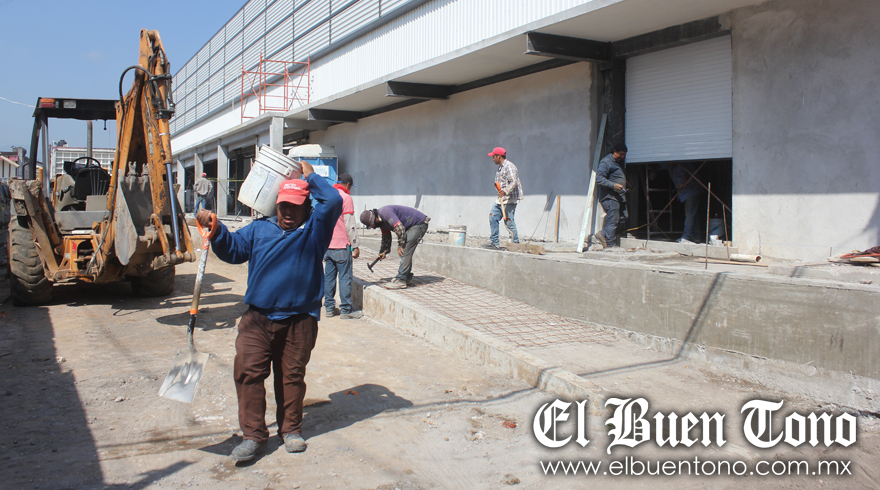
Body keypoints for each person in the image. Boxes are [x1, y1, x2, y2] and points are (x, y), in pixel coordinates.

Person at [196, 160, 342, 462]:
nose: (288, 212)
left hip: (300, 320)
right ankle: (253, 435)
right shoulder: (259, 229)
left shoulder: (314, 231)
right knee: (247, 372)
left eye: (295, 206)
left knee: (291, 377)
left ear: (308, 208)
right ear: (276, 204)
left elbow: (333, 200)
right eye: (283, 205)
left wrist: (311, 176)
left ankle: (291, 430)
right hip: (258, 319)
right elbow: (234, 249)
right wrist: (217, 229)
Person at [359, 205, 430, 290]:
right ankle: (406, 277)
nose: (373, 227)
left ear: (376, 219)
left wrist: (400, 245)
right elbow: (386, 237)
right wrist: (383, 251)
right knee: (406, 250)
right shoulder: (381, 223)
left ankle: (401, 280)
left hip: (419, 223)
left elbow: (400, 228)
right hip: (410, 226)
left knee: (405, 250)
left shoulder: (386, 213)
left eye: (372, 225)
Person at [324, 173, 362, 319]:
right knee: (345, 277)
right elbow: (350, 224)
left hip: (328, 245)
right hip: (342, 245)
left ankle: (329, 308)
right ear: (347, 185)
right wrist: (355, 245)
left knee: (329, 277)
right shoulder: (346, 198)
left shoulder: (328, 197)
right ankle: (346, 310)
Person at [484, 147, 522, 249]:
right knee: (493, 216)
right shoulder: (500, 168)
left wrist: (505, 191)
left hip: (510, 199)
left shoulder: (509, 166)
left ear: (499, 156)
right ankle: (494, 242)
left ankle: (515, 244)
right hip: (501, 199)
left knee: (509, 221)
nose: (492, 159)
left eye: (493, 156)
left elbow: (514, 182)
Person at [592, 142, 629, 250]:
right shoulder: (606, 162)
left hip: (619, 196)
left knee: (623, 217)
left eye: (624, 154)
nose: (623, 156)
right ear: (615, 152)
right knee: (613, 220)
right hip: (610, 197)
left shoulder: (618, 163)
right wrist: (613, 185)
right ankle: (610, 244)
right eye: (621, 154)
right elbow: (599, 179)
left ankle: (603, 233)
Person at [665, 162, 703, 244]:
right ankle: (696, 236)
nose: (667, 164)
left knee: (689, 214)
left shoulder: (680, 164)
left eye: (668, 162)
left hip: (691, 191)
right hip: (688, 193)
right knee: (693, 214)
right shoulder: (673, 166)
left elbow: (684, 176)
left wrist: (682, 184)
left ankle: (686, 236)